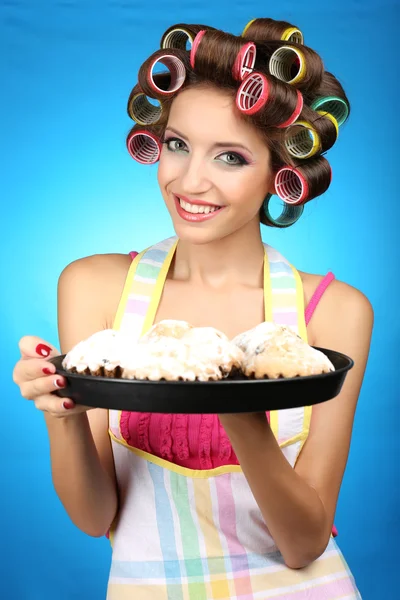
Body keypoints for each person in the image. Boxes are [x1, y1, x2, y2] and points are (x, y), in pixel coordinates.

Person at [13, 17, 373, 600]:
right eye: (178, 145)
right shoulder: (96, 287)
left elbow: (304, 543)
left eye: (230, 157)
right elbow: (93, 516)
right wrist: (64, 415)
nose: (190, 180)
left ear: (281, 176)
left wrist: (237, 403)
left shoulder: (331, 312)